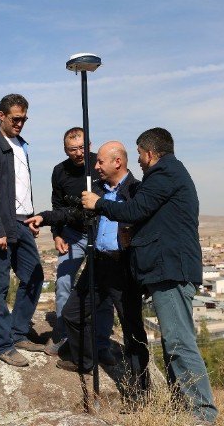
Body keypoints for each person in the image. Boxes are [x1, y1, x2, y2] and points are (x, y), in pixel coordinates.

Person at [81, 128, 218, 424]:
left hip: (171, 269)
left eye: (141, 155)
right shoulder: (170, 174)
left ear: (150, 153)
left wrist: (99, 203)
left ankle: (202, 414)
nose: (139, 162)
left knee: (179, 342)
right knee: (173, 343)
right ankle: (183, 407)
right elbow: (150, 217)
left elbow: (135, 209)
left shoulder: (165, 174)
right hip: (166, 268)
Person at [26, 142, 149, 393]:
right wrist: (45, 217)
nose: (96, 166)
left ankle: (141, 391)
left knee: (131, 330)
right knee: (72, 314)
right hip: (98, 263)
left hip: (123, 268)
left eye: (100, 162)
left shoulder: (136, 191)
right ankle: (84, 361)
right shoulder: (97, 191)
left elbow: (137, 218)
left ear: (117, 162)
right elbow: (73, 214)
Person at [0, 93, 45, 367]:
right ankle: (3, 344)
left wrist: (31, 216)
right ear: (1, 116)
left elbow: (21, 187)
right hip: (1, 225)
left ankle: (17, 332)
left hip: (23, 222)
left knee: (34, 276)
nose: (20, 124)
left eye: (24, 119)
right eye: (16, 119)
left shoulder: (20, 145)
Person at [44, 127, 115, 364]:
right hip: (72, 234)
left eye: (82, 147)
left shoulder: (99, 165)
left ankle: (102, 345)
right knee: (64, 283)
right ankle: (64, 336)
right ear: (65, 149)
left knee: (102, 291)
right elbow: (57, 204)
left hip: (100, 234)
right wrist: (57, 234)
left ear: (90, 145)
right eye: (72, 149)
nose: (78, 153)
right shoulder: (59, 172)